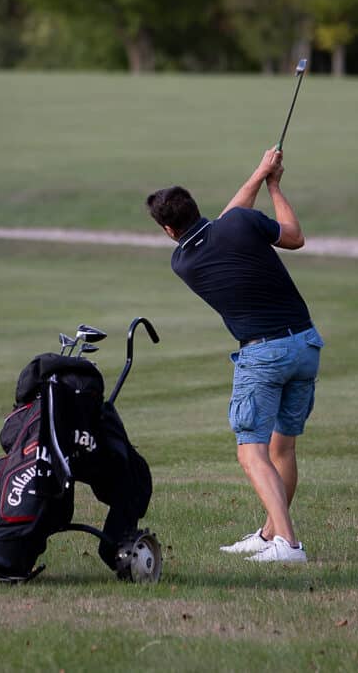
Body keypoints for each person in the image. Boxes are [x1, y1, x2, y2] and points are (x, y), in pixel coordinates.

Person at [145, 147, 323, 563]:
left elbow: (224, 223)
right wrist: (272, 184)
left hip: (264, 355)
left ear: (169, 229)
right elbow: (292, 235)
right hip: (305, 345)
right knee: (283, 451)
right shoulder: (240, 224)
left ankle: (288, 545)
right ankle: (269, 534)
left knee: (251, 453)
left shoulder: (184, 261)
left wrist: (262, 176)